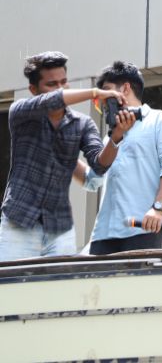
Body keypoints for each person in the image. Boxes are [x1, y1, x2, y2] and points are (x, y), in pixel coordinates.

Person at [0, 51, 133, 261]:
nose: (60, 88)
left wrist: (117, 136)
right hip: (19, 223)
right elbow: (52, 101)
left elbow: (99, 165)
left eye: (64, 82)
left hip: (59, 229)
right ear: (33, 89)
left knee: (60, 282)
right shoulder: (21, 111)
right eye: (52, 84)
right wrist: (95, 92)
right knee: (12, 282)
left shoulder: (82, 124)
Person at [74, 61, 162, 255]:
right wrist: (64, 154)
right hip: (104, 233)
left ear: (125, 89)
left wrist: (158, 208)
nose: (103, 101)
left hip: (144, 226)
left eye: (107, 91)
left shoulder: (161, 121)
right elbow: (93, 180)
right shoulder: (110, 138)